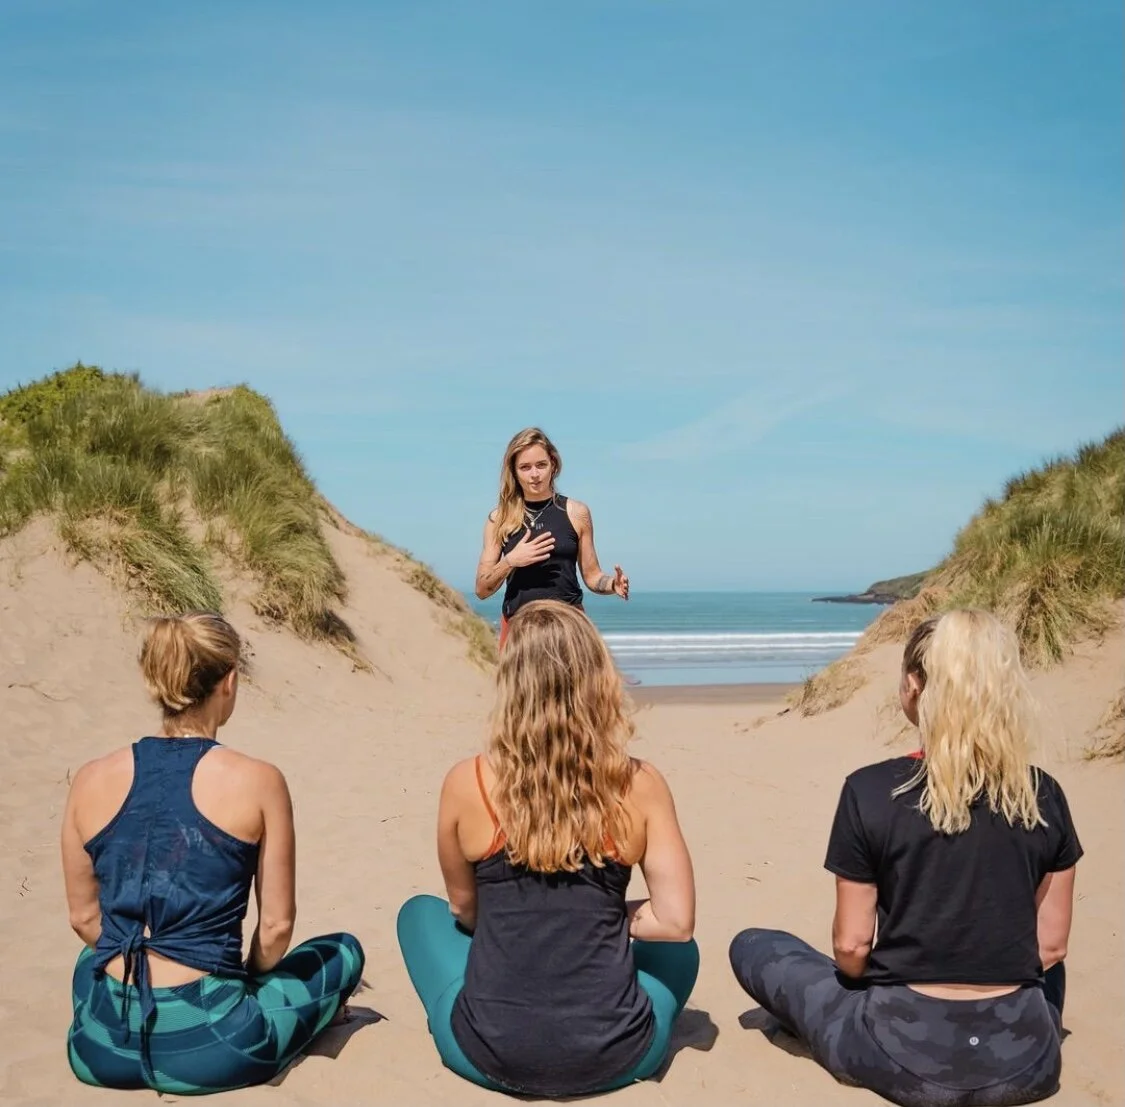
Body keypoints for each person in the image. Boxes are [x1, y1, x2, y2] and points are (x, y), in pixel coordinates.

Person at [729, 609, 1081, 1107]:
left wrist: (892, 981)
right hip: (1026, 1063)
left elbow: (852, 948)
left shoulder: (870, 790)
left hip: (903, 1058)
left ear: (915, 687)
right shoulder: (1042, 794)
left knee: (755, 945)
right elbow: (1050, 949)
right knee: (1042, 970)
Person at [397, 600, 699, 1098]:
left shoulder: (466, 781)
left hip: (485, 1053)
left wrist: (531, 921)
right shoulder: (639, 783)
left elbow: (465, 910)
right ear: (597, 676)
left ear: (511, 683)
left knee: (419, 915)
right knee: (680, 953)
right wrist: (596, 918)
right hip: (621, 1056)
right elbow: (675, 921)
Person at [62, 612, 365, 1095]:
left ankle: (123, 1021)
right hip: (217, 1047)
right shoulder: (258, 779)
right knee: (342, 951)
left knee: (89, 960)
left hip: (97, 1050)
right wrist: (249, 981)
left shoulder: (90, 778)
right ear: (229, 682)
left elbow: (83, 919)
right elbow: (276, 927)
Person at [474, 426, 629, 648]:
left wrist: (612, 584)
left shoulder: (577, 513)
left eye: (541, 465)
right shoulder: (499, 519)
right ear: (514, 472)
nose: (534, 474)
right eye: (525, 467)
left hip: (569, 628)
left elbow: (593, 576)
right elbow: (481, 589)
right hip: (520, 632)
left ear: (553, 465)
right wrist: (511, 561)